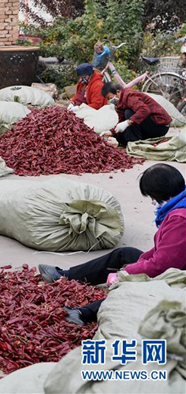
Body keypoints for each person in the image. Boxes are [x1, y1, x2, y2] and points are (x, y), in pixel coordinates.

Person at [38, 164, 186, 325]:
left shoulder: (179, 219)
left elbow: (163, 266)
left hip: (179, 278)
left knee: (134, 288)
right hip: (176, 266)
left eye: (151, 196)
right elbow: (165, 249)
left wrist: (127, 273)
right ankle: (65, 275)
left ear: (159, 193)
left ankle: (83, 313)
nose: (152, 201)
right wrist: (142, 260)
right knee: (124, 254)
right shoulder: (179, 206)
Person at [102, 82, 172, 146]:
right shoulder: (119, 104)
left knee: (129, 112)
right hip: (150, 125)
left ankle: (134, 142)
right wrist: (112, 132)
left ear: (118, 92)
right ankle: (132, 140)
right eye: (108, 99)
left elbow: (144, 110)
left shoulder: (129, 95)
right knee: (122, 138)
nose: (111, 101)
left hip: (160, 126)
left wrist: (127, 123)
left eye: (110, 98)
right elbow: (121, 121)